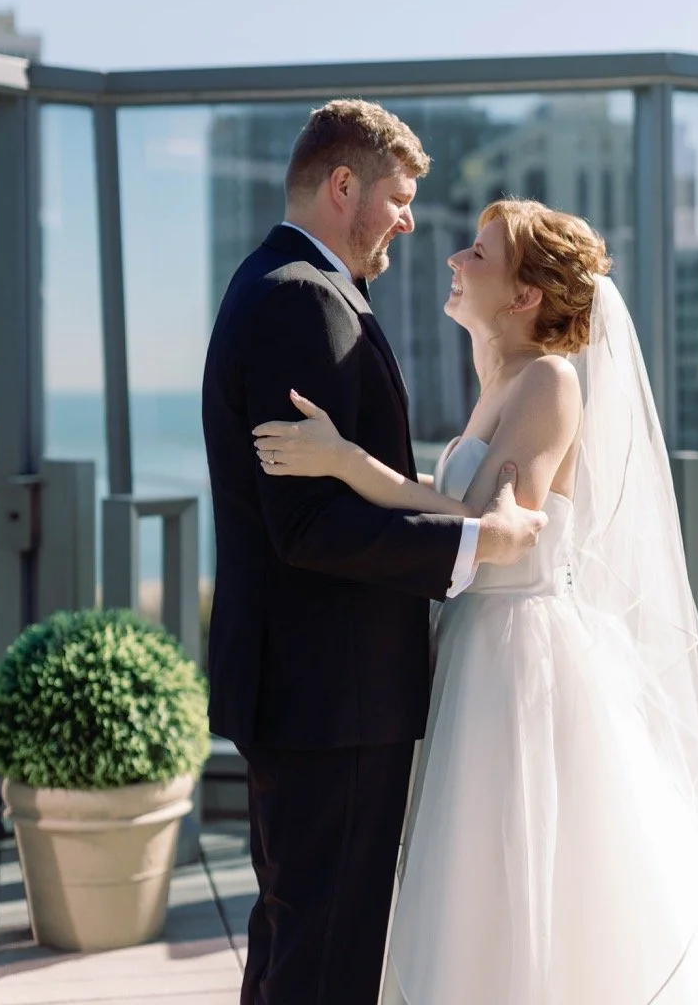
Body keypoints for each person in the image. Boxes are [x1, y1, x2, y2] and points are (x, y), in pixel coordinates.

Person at [254, 197, 698, 1004]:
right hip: (474, 644)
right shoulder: (501, 379)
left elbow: (479, 524)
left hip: (518, 659)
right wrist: (349, 466)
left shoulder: (549, 380)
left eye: (477, 253)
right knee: (476, 872)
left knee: (522, 866)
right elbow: (459, 509)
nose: (454, 260)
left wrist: (343, 462)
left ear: (524, 294)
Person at [201, 101, 547, 1005]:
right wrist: (474, 544)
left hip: (313, 688)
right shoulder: (300, 298)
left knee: (297, 940)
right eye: (397, 199)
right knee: (324, 956)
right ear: (342, 185)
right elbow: (310, 525)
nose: (408, 222)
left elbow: (336, 492)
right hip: (331, 691)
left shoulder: (284, 283)